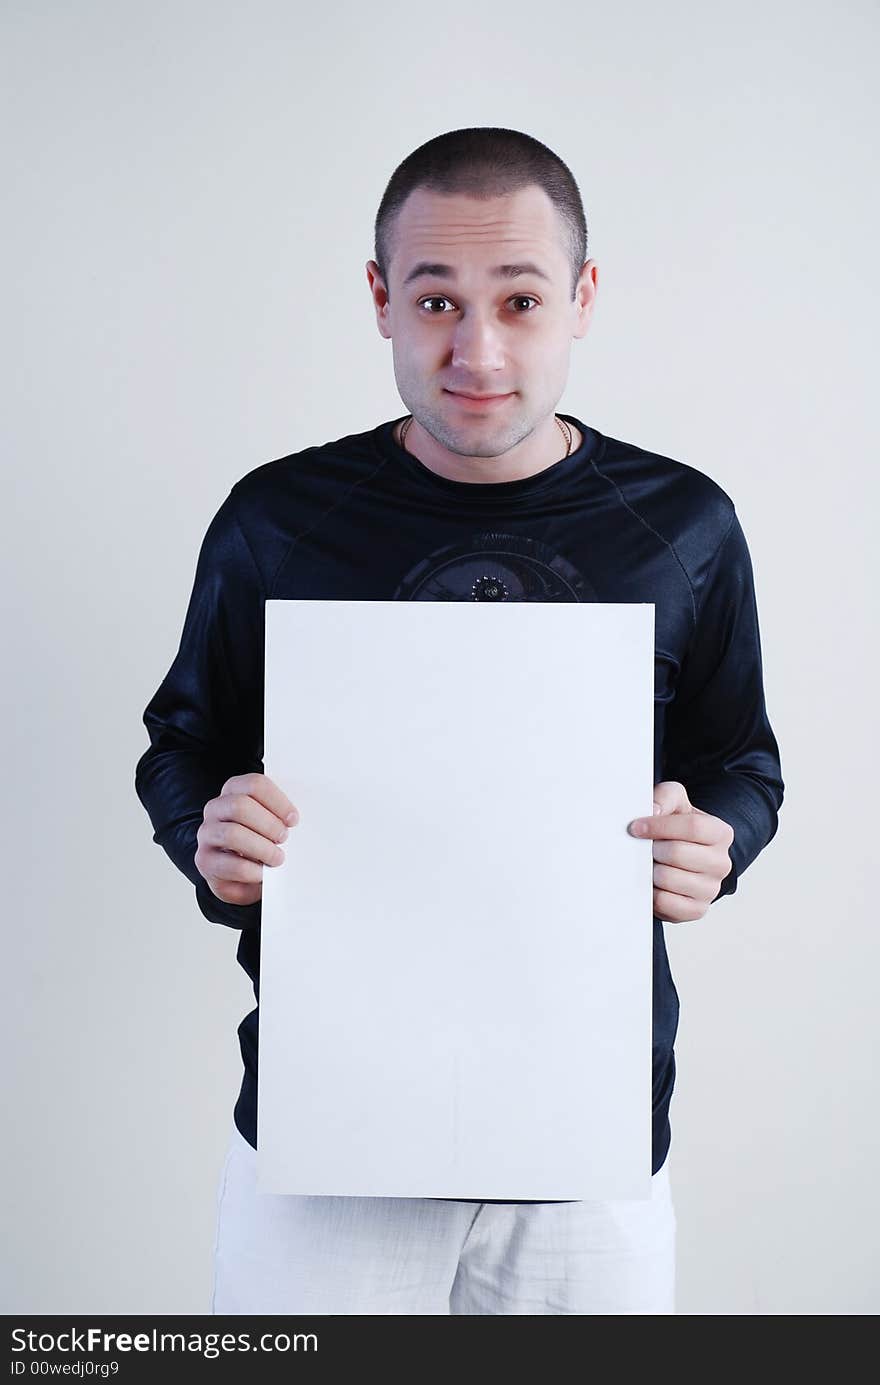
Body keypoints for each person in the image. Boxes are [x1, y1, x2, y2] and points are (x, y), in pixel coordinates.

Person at [134, 126, 784, 1315]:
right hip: (322, 1139)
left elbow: (740, 763)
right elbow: (182, 743)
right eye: (435, 298)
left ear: (582, 299)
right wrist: (206, 834)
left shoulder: (684, 525)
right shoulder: (276, 518)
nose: (476, 348)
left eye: (521, 298)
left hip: (592, 1140)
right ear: (381, 299)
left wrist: (717, 839)